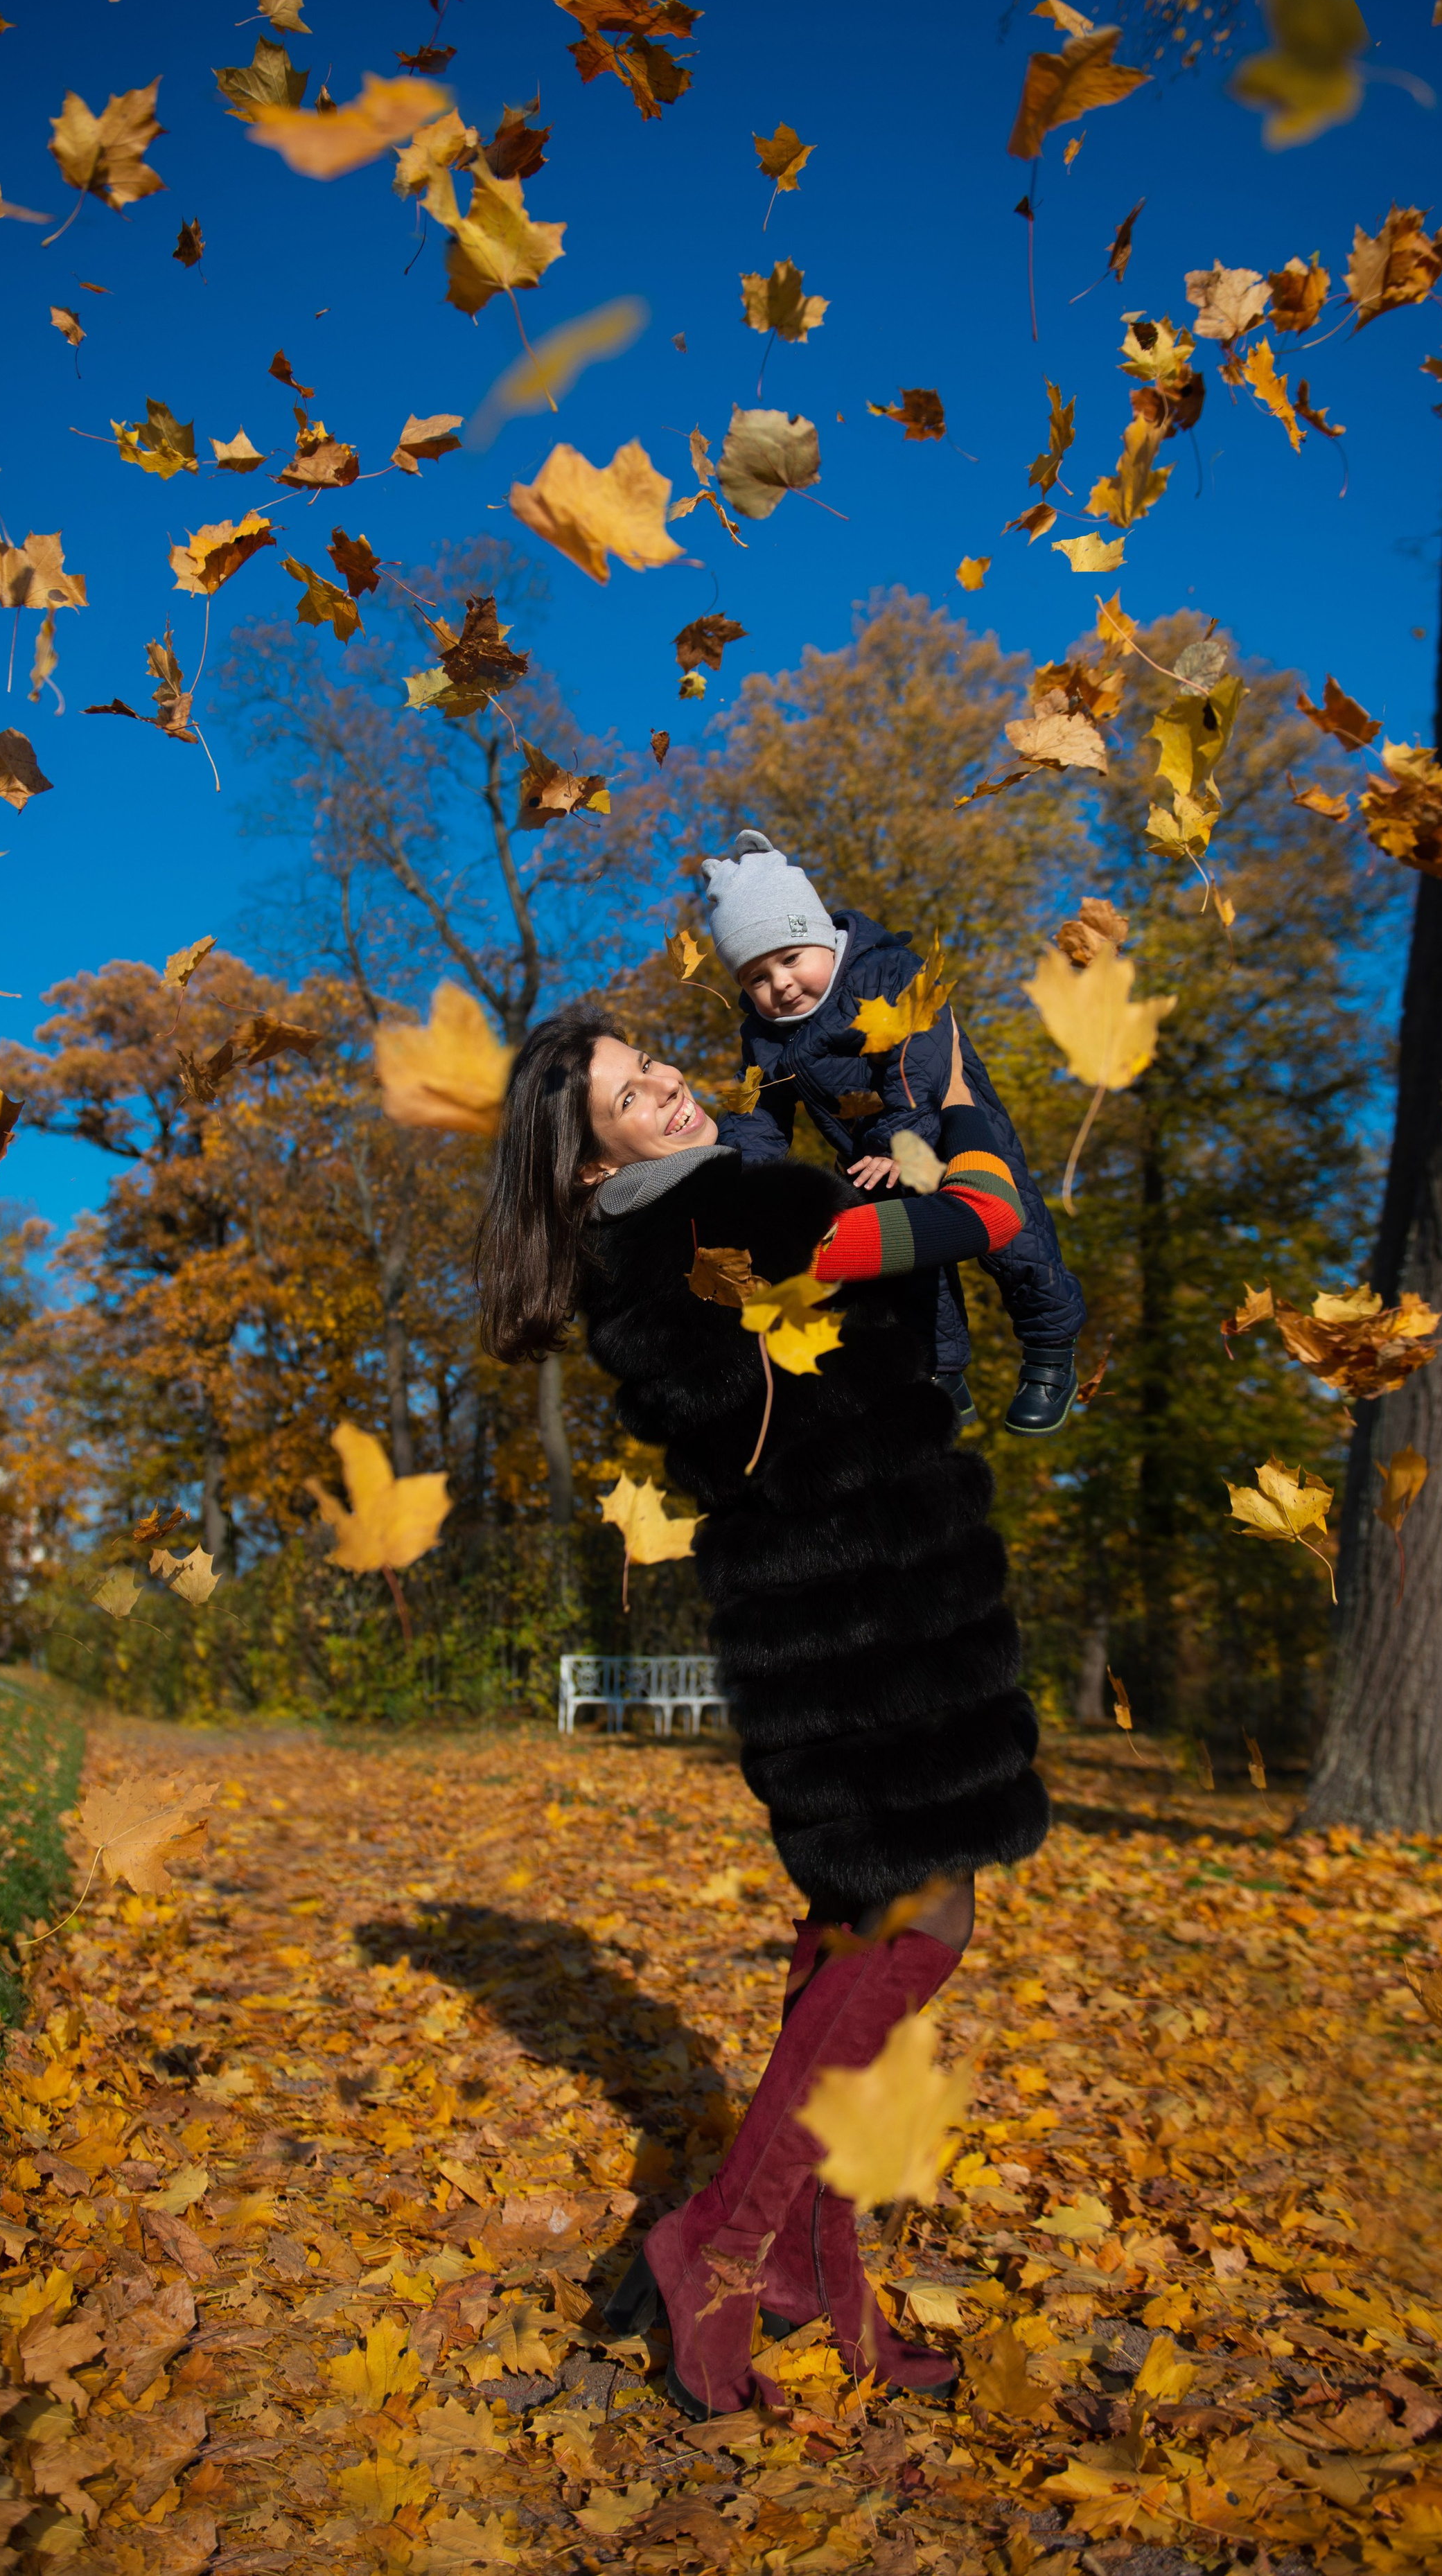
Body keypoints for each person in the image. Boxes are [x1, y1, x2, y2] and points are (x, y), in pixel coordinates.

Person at [473, 1007, 1050, 2419]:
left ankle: (815, 2275)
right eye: (628, 1094)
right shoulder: (738, 1217)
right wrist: (960, 1116)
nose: (666, 1085)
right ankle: (721, 2244)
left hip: (818, 1623)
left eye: (653, 1063)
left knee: (850, 1932)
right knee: (925, 1923)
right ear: (586, 1154)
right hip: (876, 1622)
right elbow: (979, 1222)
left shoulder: (647, 1256)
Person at [701, 827, 1086, 1436]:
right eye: (756, 978)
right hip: (873, 1161)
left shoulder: (883, 971)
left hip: (948, 1128)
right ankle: (942, 1374)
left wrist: (894, 1139)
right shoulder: (766, 1036)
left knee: (1016, 1241)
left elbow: (919, 1056)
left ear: (821, 935)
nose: (780, 984)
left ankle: (1050, 1345)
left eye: (790, 959)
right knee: (912, 1270)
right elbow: (760, 1113)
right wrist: (745, 1182)